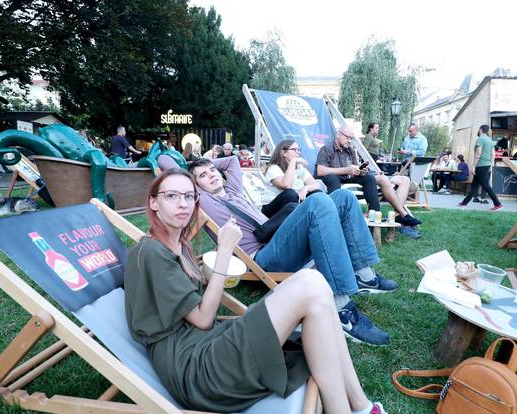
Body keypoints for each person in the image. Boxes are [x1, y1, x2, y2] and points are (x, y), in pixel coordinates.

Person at [124, 169, 387, 414]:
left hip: (211, 346)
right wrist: (225, 250)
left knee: (317, 292)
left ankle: (360, 406)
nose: (182, 203)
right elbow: (203, 319)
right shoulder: (150, 251)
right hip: (198, 369)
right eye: (171, 196)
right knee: (310, 283)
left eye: (189, 196)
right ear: (153, 203)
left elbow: (190, 300)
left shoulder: (179, 246)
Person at [159, 154, 398, 346]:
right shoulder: (205, 201)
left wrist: (209, 160)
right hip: (262, 258)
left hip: (277, 242)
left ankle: (364, 274)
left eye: (212, 170)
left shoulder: (233, 190)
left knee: (343, 197)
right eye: (202, 175)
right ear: (193, 184)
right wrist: (192, 167)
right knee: (317, 203)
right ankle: (341, 307)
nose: (211, 175)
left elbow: (232, 161)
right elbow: (166, 163)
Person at [315, 126, 422, 234]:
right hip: (334, 179)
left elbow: (354, 167)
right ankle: (336, 216)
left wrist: (361, 170)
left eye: (351, 138)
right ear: (338, 135)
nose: (350, 141)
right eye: (348, 137)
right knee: (332, 178)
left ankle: (374, 212)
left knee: (369, 178)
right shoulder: (326, 149)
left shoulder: (350, 150)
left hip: (348, 178)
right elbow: (320, 171)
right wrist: (346, 170)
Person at [262, 140, 322, 217]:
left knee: (316, 193)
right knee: (290, 193)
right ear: (284, 153)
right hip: (271, 209)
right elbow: (286, 185)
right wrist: (293, 161)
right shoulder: (273, 168)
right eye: (294, 149)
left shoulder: (300, 169)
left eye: (299, 150)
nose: (298, 152)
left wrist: (306, 188)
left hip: (291, 207)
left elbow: (317, 185)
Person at [459, 124, 503, 211]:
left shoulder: (480, 139)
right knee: (474, 186)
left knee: (486, 185)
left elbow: (478, 153)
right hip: (486, 165)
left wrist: (474, 166)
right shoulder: (490, 140)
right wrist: (491, 165)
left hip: (480, 165)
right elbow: (493, 154)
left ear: (480, 130)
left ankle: (498, 204)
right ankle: (464, 203)